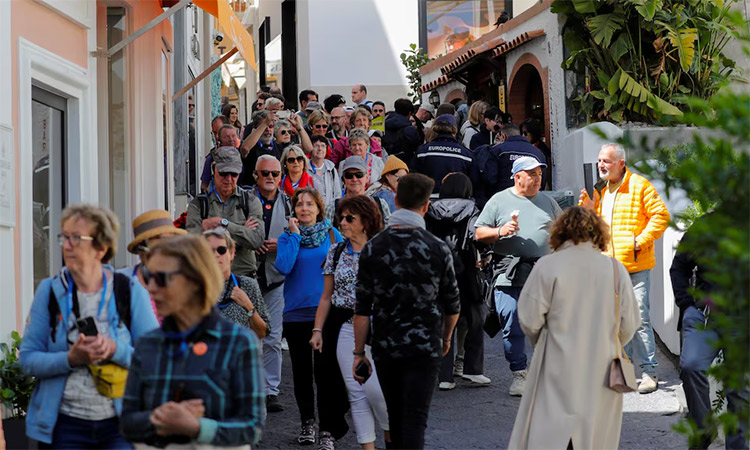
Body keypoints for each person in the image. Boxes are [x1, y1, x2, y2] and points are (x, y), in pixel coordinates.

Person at [21, 204, 159, 448]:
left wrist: (114, 349)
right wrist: (70, 359)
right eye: (63, 237)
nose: (66, 245)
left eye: (76, 238)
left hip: (120, 426)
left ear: (101, 248)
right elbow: (28, 360)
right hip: (64, 426)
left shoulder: (128, 290)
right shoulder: (50, 291)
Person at [507, 206, 641, 449]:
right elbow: (630, 322)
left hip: (557, 363)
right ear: (599, 234)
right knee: (593, 435)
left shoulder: (547, 266)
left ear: (560, 232)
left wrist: (542, 341)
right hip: (602, 365)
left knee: (552, 435)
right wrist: (611, 341)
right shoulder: (614, 269)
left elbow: (529, 318)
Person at [120, 235, 265, 448]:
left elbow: (252, 427)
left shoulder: (238, 343)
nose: (150, 287)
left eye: (161, 278)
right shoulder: (148, 344)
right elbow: (127, 423)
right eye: (149, 276)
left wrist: (196, 427)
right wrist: (163, 418)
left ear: (195, 281)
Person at [354, 174, 460, 450]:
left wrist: (357, 352)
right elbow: (453, 305)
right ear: (425, 206)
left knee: (396, 417)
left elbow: (362, 308)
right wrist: (446, 338)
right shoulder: (437, 248)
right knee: (414, 420)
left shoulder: (373, 247)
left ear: (396, 200)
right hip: (425, 346)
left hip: (386, 346)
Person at [579, 143, 670, 394]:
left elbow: (661, 216)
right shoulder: (601, 190)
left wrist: (639, 241)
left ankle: (649, 373)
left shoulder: (639, 185)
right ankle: (624, 374)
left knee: (638, 318)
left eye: (606, 161)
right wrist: (588, 210)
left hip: (635, 265)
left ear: (620, 163)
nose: (601, 165)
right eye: (599, 161)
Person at [475, 156, 562, 396]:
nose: (537, 179)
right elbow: (479, 233)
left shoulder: (548, 201)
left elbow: (564, 232)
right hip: (508, 272)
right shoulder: (499, 200)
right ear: (517, 177)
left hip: (544, 272)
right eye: (532, 174)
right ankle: (519, 372)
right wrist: (499, 231)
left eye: (539, 174)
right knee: (511, 318)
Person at [310, 196, 389, 450]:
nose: (342, 222)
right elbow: (326, 296)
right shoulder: (337, 251)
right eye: (340, 218)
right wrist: (318, 329)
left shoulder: (382, 251)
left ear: (365, 221)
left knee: (376, 392)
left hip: (379, 329)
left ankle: (391, 433)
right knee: (356, 392)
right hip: (345, 326)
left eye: (349, 218)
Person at [670, 211, 749, 449]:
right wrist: (686, 305)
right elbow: (679, 267)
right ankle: (704, 429)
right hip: (705, 316)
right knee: (691, 365)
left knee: (740, 390)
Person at [274, 188, 347, 447]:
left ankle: (328, 429)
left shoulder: (331, 234)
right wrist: (294, 236)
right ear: (294, 210)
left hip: (326, 315)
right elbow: (283, 266)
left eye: (309, 204)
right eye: (299, 205)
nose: (304, 209)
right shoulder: (286, 238)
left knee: (326, 373)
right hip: (295, 315)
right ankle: (307, 423)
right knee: (302, 373)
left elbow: (344, 269)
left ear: (318, 208)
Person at [425, 173, 489, 390]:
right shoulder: (472, 209)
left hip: (438, 268)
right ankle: (473, 369)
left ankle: (444, 376)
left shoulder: (431, 209)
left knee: (442, 319)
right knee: (475, 316)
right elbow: (476, 236)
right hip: (466, 266)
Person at [248, 155, 292, 413]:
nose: (270, 178)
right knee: (250, 336)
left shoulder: (288, 203)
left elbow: (299, 235)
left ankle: (270, 390)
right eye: (265, 173)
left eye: (274, 174)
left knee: (273, 336)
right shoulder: (244, 201)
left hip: (275, 278)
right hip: (249, 276)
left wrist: (281, 243)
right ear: (256, 175)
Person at [186, 147, 265, 278]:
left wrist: (223, 224)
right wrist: (241, 232)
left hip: (243, 277)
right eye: (223, 173)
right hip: (209, 278)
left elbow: (256, 240)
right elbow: (191, 243)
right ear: (213, 170)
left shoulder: (250, 202)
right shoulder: (199, 205)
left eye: (234, 174)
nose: (228, 179)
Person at [203, 228, 270, 338]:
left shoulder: (247, 285)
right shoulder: (194, 288)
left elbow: (263, 333)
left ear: (232, 253)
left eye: (221, 250)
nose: (216, 255)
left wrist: (249, 307)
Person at [121, 209, 186, 319]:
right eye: (161, 239)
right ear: (141, 246)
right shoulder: (123, 281)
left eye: (172, 239)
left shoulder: (186, 280)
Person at [414, 114, 473, 196]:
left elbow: (416, 177)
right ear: (455, 130)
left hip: (428, 198)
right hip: (456, 201)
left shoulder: (423, 151)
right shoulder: (466, 155)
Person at [494, 123, 548, 192]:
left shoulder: (498, 151)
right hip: (531, 198)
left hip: (503, 197)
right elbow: (542, 179)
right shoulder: (537, 152)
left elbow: (490, 177)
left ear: (504, 136)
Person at [325, 156, 367, 227]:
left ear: (367, 176)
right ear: (343, 179)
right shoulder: (332, 209)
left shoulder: (380, 205)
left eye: (359, 175)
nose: (354, 179)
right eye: (349, 175)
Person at [365, 155, 408, 220]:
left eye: (406, 179)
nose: (403, 183)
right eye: (400, 179)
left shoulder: (376, 189)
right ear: (388, 176)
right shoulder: (387, 195)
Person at [382, 98, 423, 168]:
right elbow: (417, 147)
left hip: (385, 162)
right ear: (409, 113)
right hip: (405, 163)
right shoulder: (410, 130)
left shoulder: (383, 125)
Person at [308, 134, 342, 208]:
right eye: (316, 146)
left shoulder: (331, 169)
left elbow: (337, 193)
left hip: (330, 212)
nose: (320, 149)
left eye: (323, 146)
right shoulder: (305, 169)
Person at [520, 118, 552, 189]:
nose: (523, 136)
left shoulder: (542, 149)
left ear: (533, 133)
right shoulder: (524, 147)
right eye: (521, 133)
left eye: (525, 133)